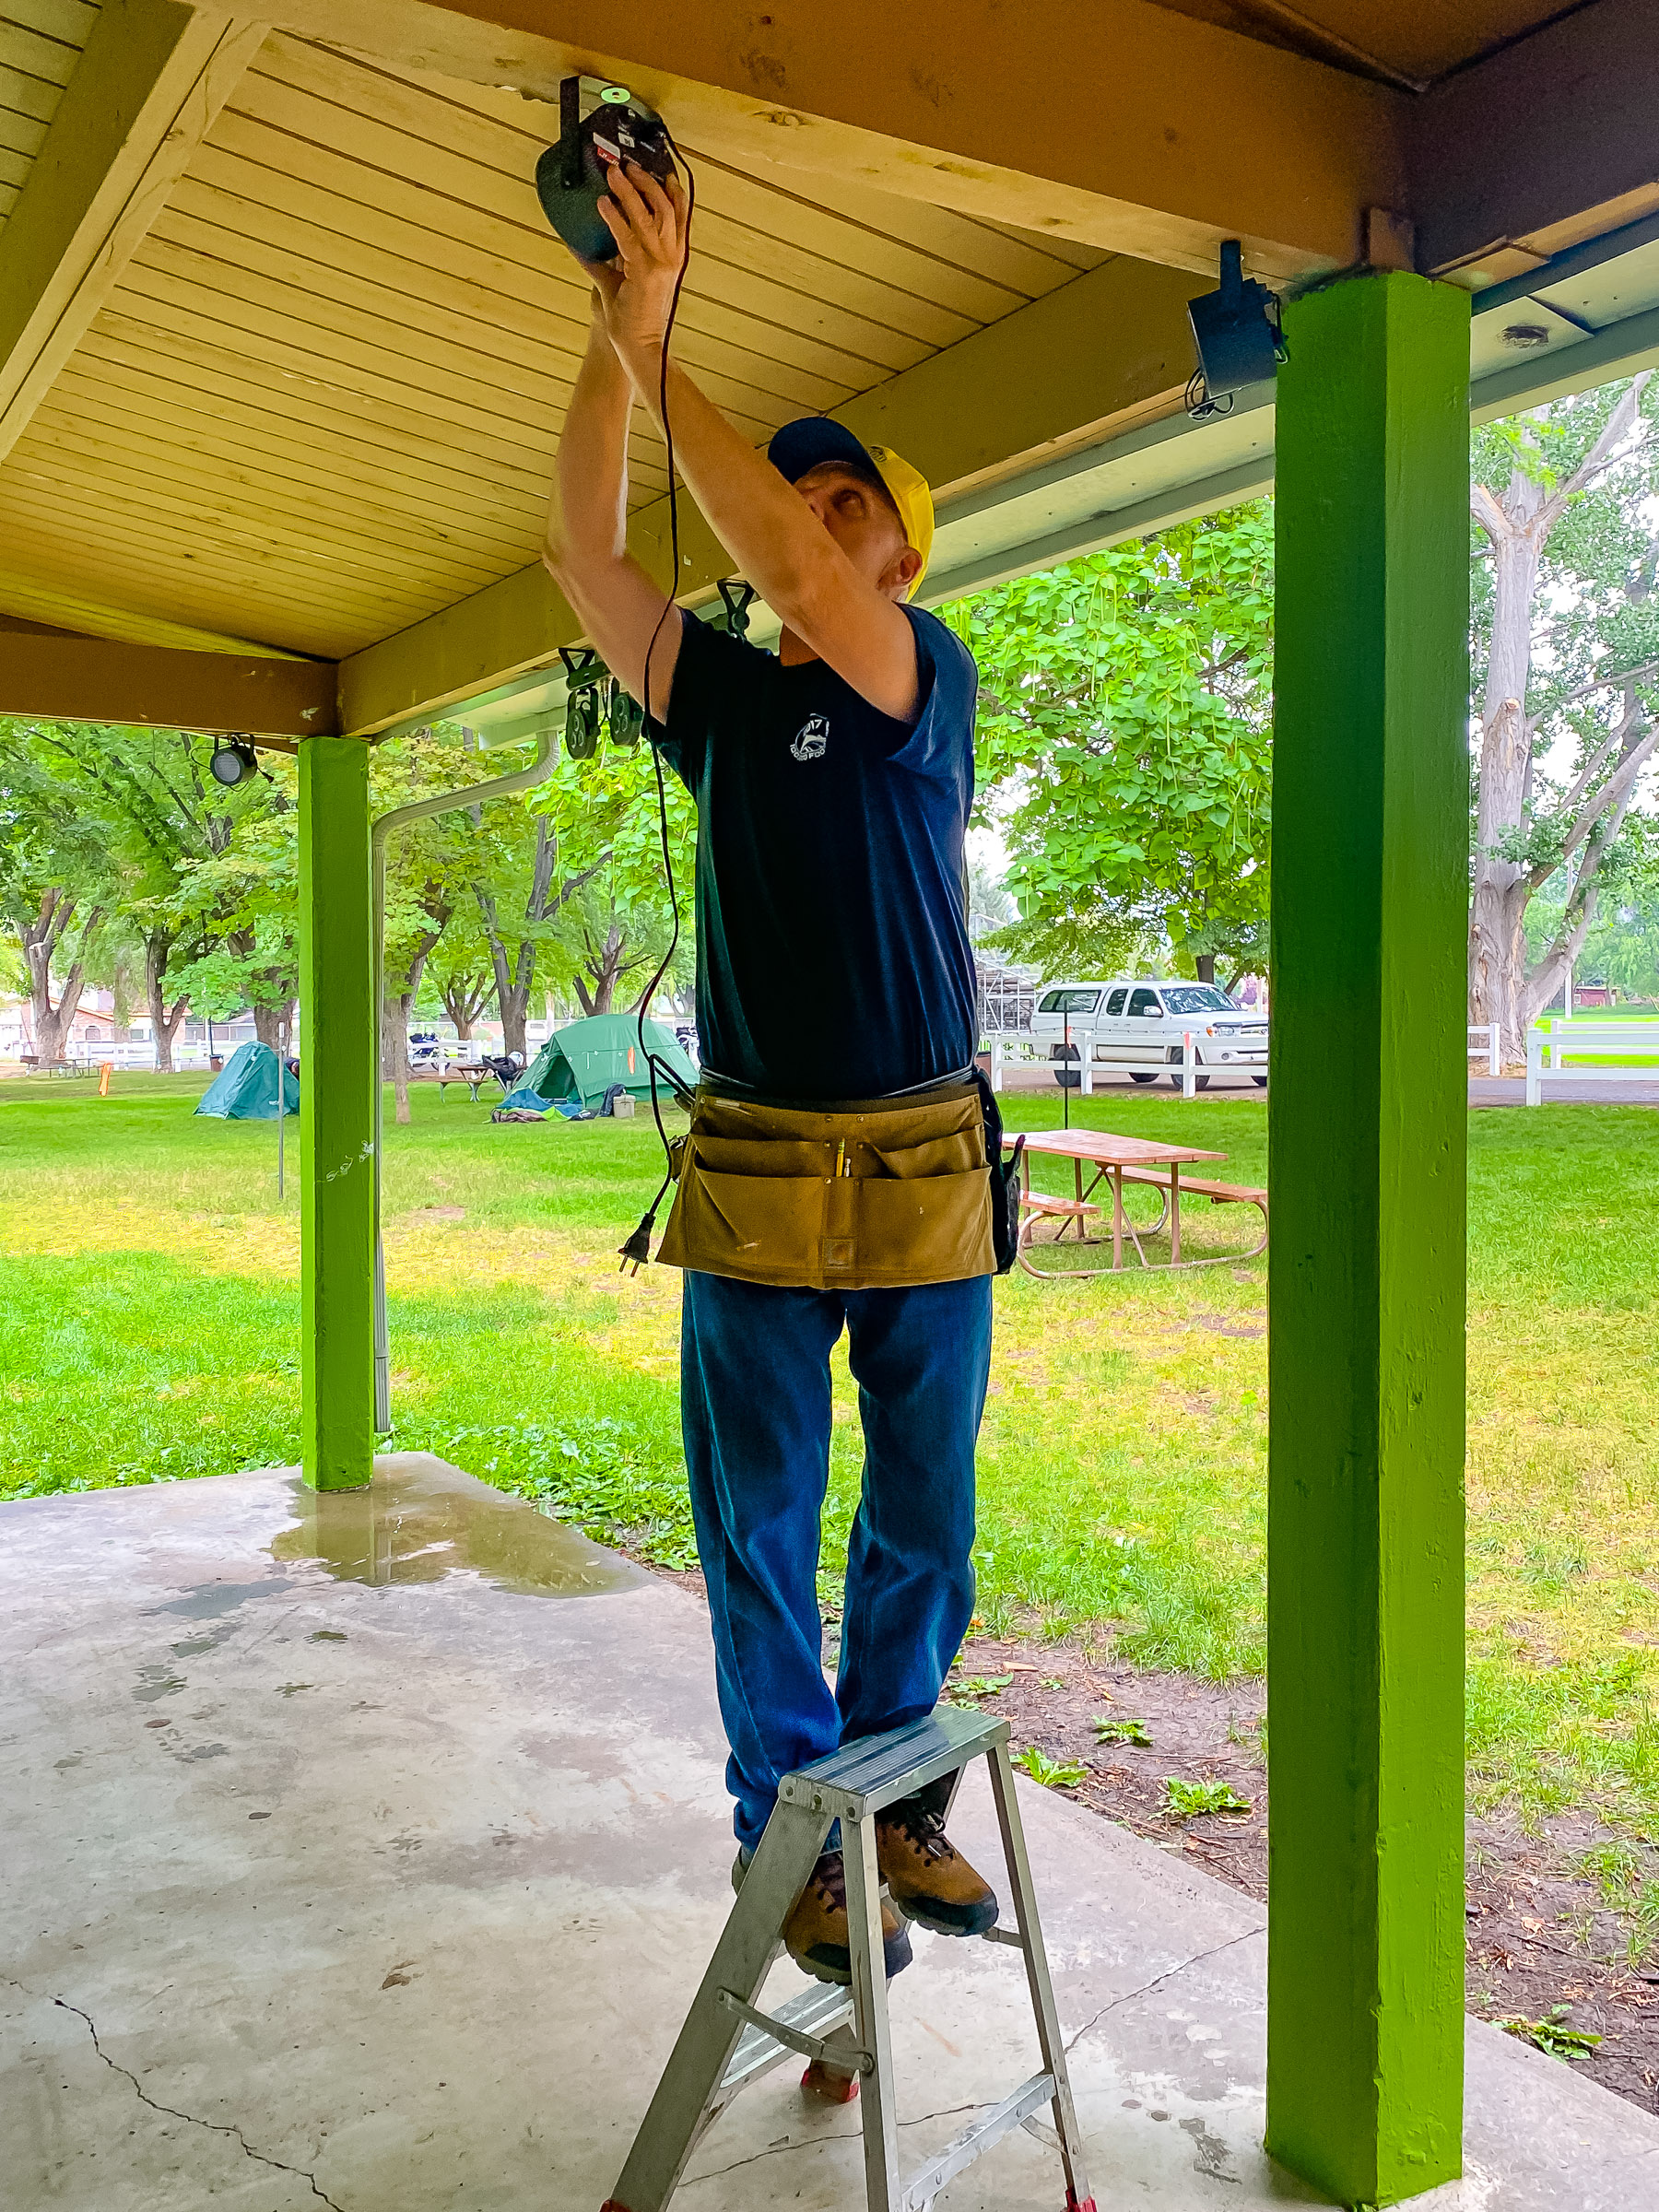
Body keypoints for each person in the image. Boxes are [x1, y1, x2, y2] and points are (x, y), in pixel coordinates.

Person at [543, 154, 1001, 1987]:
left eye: (835, 502)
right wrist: (609, 345)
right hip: (750, 1158)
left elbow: (780, 562)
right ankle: (795, 1834)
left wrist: (669, 362)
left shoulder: (917, 674)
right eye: (792, 490)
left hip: (916, 1160)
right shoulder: (725, 703)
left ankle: (891, 1803)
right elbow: (589, 553)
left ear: (893, 550)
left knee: (923, 1507)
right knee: (753, 1518)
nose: (796, 524)